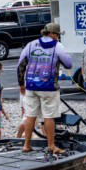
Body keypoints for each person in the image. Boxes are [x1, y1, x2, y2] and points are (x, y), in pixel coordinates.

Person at [18, 22, 72, 155]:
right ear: (52, 34)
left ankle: (26, 145)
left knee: (30, 115)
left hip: (31, 85)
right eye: (57, 34)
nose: (58, 37)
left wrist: (21, 84)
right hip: (49, 87)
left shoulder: (31, 45)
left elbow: (20, 65)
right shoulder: (57, 46)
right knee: (49, 116)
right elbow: (68, 64)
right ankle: (51, 146)